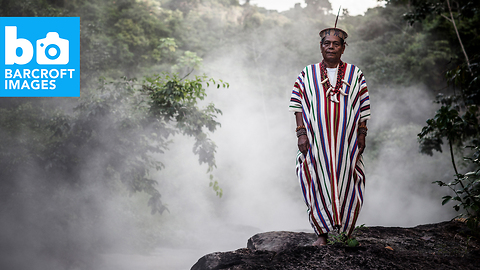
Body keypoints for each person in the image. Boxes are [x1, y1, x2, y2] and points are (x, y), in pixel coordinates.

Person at [289, 27, 371, 246]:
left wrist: (362, 134)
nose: (331, 47)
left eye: (336, 44)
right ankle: (321, 234)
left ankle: (347, 231)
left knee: (351, 180)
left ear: (343, 48)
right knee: (313, 178)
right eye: (327, 43)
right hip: (317, 142)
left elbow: (363, 107)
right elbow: (297, 104)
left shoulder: (355, 74)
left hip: (347, 142)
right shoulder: (308, 73)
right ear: (321, 46)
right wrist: (301, 133)